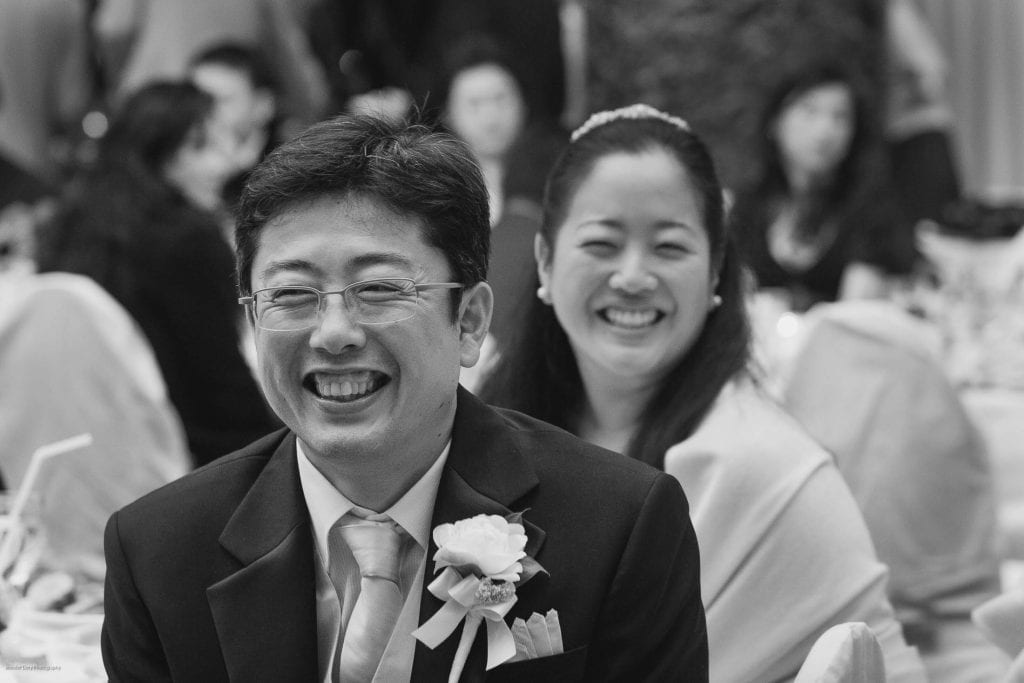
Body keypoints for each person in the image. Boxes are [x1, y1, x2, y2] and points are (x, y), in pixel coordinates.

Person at [100, 113, 709, 681]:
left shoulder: (620, 527)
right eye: (291, 295)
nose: (333, 334)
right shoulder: (159, 552)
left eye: (379, 289)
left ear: (469, 322)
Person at [479, 104, 926, 682]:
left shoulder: (765, 471)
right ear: (545, 259)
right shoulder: (491, 430)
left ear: (716, 269)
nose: (633, 277)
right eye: (602, 244)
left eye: (668, 247)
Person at [35, 81, 278, 468]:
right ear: (155, 152)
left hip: (88, 448)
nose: (223, 163)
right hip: (194, 454)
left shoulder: (67, 227)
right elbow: (221, 386)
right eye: (200, 146)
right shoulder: (182, 239)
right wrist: (280, 448)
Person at [729, 62, 918, 312]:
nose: (825, 131)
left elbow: (854, 315)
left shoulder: (870, 209)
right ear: (775, 122)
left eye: (840, 116)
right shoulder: (748, 205)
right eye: (810, 111)